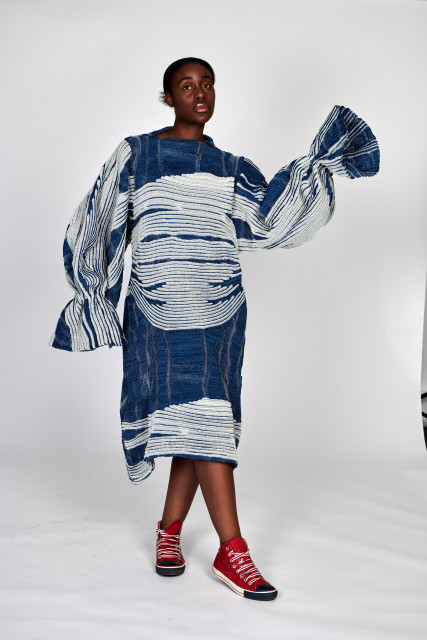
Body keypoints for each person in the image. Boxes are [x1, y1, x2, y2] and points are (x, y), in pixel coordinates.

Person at [48, 57, 380, 601]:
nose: (199, 92)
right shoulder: (136, 154)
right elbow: (99, 222)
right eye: (186, 85)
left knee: (200, 422)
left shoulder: (230, 167)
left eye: (207, 84)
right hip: (157, 313)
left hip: (219, 312)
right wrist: (93, 296)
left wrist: (317, 168)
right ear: (168, 97)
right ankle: (233, 550)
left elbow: (268, 222)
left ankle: (169, 532)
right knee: (203, 420)